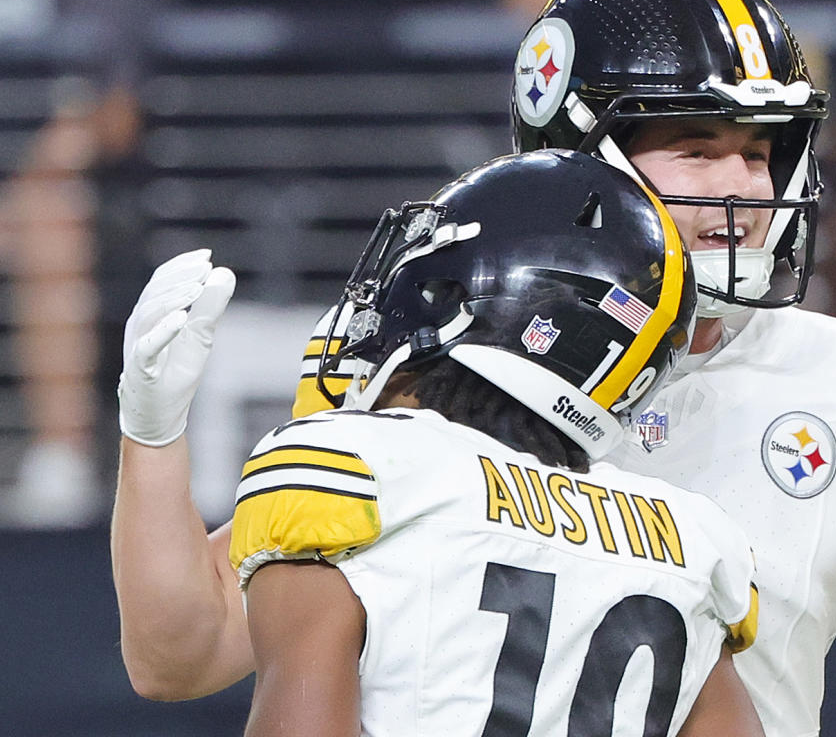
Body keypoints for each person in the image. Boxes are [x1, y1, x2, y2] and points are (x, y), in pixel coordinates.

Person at [111, 0, 836, 737]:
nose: (741, 190)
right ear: (571, 156)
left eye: (761, 152)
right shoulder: (443, 343)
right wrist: (149, 439)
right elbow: (182, 655)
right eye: (695, 144)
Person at [123, 149, 766, 737]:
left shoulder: (362, 476)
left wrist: (150, 432)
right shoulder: (689, 541)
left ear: (461, 298)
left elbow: (176, 662)